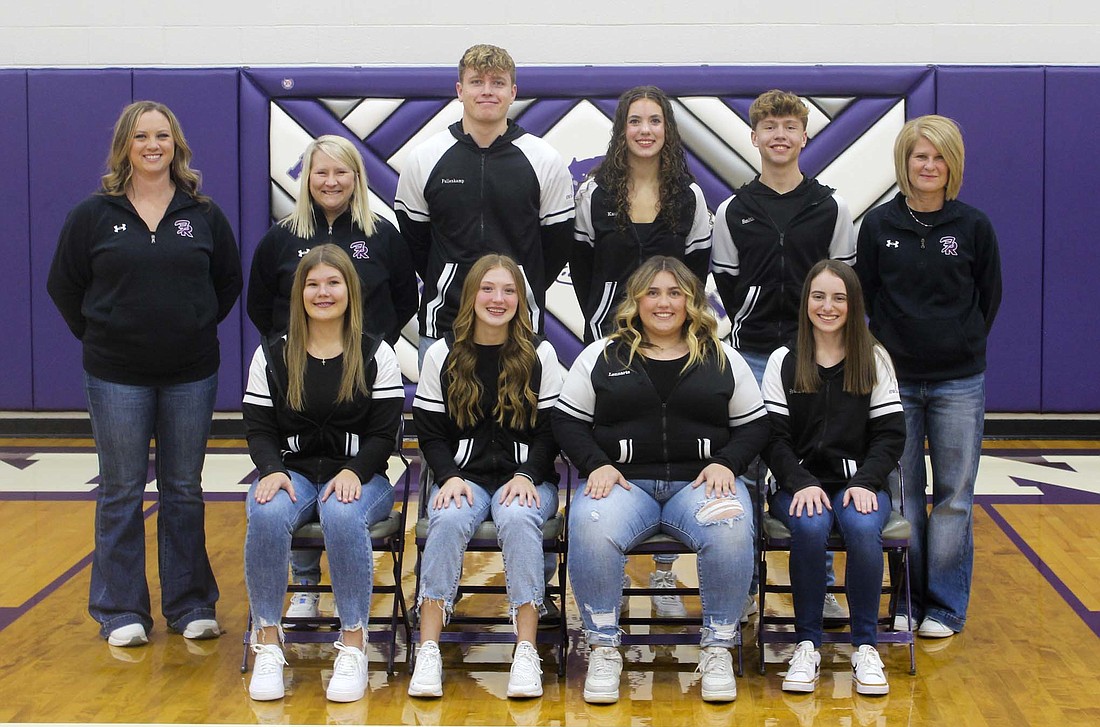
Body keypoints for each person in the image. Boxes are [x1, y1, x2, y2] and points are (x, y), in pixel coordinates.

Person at [47, 100, 241, 648]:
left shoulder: (202, 214)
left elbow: (226, 284)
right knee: (121, 491)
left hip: (191, 374)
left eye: (162, 136)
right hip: (115, 376)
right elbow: (64, 285)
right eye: (141, 137)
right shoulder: (93, 215)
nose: (152, 145)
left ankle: (190, 604)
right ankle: (119, 609)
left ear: (176, 146)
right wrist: (104, 333)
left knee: (184, 489)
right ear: (124, 147)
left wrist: (190, 325)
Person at [555, 255, 769, 704]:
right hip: (624, 487)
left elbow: (755, 425)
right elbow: (567, 421)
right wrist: (595, 463)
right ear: (635, 300)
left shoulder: (721, 356)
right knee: (589, 527)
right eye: (653, 292)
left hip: (700, 487)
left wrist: (728, 463)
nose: (664, 302)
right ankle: (603, 646)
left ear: (692, 301)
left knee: (731, 530)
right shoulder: (602, 354)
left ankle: (717, 647)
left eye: (675, 292)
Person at [247, 134, 417, 627]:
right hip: (300, 371)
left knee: (343, 502)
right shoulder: (281, 238)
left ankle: (353, 631)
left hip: (358, 375)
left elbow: (404, 297)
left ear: (357, 178)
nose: (331, 181)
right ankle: (302, 586)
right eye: (321, 171)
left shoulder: (382, 234)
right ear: (306, 178)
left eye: (342, 171)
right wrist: (299, 347)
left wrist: (362, 348)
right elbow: (261, 303)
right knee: (283, 488)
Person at [711, 89, 856, 621]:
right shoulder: (733, 210)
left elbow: (841, 281)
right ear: (753, 137)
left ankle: (817, 585)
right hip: (748, 356)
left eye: (789, 126)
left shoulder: (830, 207)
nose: (779, 135)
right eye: (768, 126)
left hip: (812, 359)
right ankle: (746, 583)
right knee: (746, 471)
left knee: (811, 464)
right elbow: (726, 282)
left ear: (803, 136)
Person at [856, 115, 1001, 639]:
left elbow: (988, 297)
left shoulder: (973, 226)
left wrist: (957, 342)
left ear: (952, 165)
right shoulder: (877, 226)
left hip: (958, 381)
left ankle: (944, 605)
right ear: (905, 161)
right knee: (902, 496)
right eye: (921, 156)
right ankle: (907, 599)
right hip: (894, 380)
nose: (929, 165)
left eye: (939, 157)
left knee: (954, 495)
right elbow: (866, 297)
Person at [572, 84, 714, 619]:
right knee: (616, 440)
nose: (646, 130)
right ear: (621, 129)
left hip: (672, 342)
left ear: (668, 130)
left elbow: (696, 274)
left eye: (655, 120)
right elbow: (583, 266)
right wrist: (603, 317)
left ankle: (660, 576)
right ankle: (607, 582)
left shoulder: (690, 198)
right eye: (636, 120)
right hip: (612, 340)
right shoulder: (596, 193)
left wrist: (674, 322)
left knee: (667, 442)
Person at [242, 244, 405, 702]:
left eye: (333, 283)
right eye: (312, 284)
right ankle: (269, 643)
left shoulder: (376, 351)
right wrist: (271, 469)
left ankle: (353, 642)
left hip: (361, 477)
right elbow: (257, 427)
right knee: (268, 510)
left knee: (340, 512)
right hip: (294, 473)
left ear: (350, 290)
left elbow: (384, 431)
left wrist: (356, 470)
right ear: (299, 293)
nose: (323, 292)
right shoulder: (273, 353)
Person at [408, 254, 565, 700]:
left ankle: (526, 651)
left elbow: (553, 430)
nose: (498, 299)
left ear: (522, 299)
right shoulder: (441, 353)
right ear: (471, 295)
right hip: (465, 478)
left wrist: (529, 475)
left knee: (518, 519)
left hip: (528, 479)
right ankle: (429, 649)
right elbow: (431, 432)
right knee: (448, 519)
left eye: (508, 290)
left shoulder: (542, 352)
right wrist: (448, 476)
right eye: (488, 289)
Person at [761, 259, 906, 696]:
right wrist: (800, 482)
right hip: (798, 485)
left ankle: (866, 646)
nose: (828, 306)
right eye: (819, 296)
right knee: (809, 526)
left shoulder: (874, 357)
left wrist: (865, 482)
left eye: (839, 297)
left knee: (863, 528)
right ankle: (807, 644)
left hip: (857, 485)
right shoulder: (783, 360)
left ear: (853, 303)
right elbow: (773, 439)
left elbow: (890, 435)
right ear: (806, 301)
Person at [394, 43, 575, 365]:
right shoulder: (425, 157)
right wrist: (452, 278)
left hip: (520, 329)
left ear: (513, 91)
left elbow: (557, 245)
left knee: (519, 416)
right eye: (477, 82)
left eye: (498, 83)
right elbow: (414, 243)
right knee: (441, 417)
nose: (487, 91)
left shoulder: (544, 159)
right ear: (460, 90)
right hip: (443, 327)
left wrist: (519, 284)